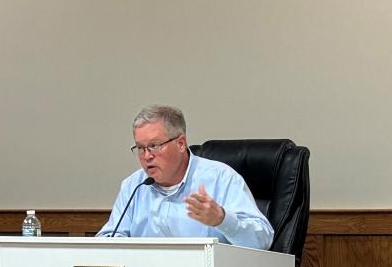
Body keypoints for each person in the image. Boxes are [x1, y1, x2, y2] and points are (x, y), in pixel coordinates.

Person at [98, 105, 274, 249]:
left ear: (181, 143)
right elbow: (110, 237)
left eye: (154, 146)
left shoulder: (221, 179)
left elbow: (262, 241)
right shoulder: (133, 186)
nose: (146, 156)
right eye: (140, 148)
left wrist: (222, 219)